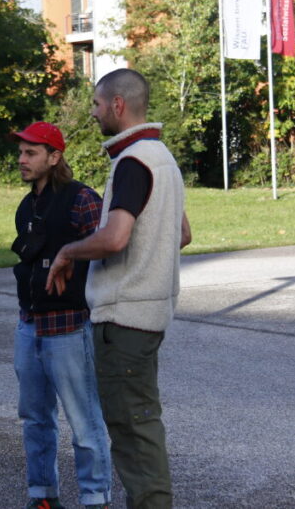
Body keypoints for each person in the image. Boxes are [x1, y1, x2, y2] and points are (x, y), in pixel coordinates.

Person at [47, 70, 192, 509]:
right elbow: (181, 234)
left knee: (132, 431)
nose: (91, 113)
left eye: (95, 104)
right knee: (140, 424)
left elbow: (114, 239)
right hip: (150, 314)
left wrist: (69, 251)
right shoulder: (163, 158)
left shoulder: (133, 162)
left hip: (125, 317)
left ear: (117, 106)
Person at [10, 121, 112, 509]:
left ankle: (95, 497)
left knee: (84, 422)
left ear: (54, 157)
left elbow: (110, 244)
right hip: (29, 325)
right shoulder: (26, 205)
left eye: (31, 152)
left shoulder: (81, 198)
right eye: (20, 152)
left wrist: (77, 263)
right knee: (35, 420)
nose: (22, 159)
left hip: (69, 327)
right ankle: (43, 497)